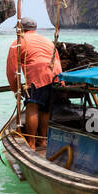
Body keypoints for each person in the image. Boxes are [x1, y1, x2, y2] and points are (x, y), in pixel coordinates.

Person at [6, 17, 63, 150]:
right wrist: (62, 82)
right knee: (45, 109)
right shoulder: (47, 41)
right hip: (55, 75)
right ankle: (42, 140)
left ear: (21, 29)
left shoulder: (18, 43)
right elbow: (57, 59)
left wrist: (16, 91)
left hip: (38, 76)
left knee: (33, 106)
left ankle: (31, 143)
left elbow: (12, 71)